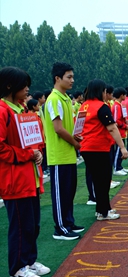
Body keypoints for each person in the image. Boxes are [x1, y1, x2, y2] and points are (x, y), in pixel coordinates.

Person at [1, 66, 50, 277]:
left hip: (30, 177)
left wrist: (36, 152)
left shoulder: (20, 109)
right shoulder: (3, 111)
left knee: (33, 224)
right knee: (20, 227)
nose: (28, 89)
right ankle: (17, 271)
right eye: (24, 84)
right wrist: (27, 154)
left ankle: (29, 261)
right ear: (10, 86)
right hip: (15, 179)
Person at [42, 62, 85, 240]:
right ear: (57, 78)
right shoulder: (54, 99)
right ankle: (60, 228)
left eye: (72, 77)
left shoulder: (66, 98)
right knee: (60, 194)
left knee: (69, 191)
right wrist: (75, 143)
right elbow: (58, 128)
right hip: (59, 155)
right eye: (69, 77)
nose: (72, 80)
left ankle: (68, 221)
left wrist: (76, 138)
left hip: (68, 154)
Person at [79, 79, 127, 221]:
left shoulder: (84, 106)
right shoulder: (102, 107)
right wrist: (122, 147)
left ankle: (102, 208)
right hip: (99, 147)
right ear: (101, 91)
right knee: (104, 180)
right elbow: (112, 127)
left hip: (86, 147)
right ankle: (104, 211)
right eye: (105, 91)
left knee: (97, 179)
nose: (106, 93)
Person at [111, 87, 128, 175]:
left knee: (120, 150)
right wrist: (125, 125)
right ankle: (116, 168)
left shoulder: (120, 105)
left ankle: (120, 166)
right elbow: (116, 121)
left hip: (122, 131)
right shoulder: (116, 106)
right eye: (124, 95)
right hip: (119, 132)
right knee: (118, 150)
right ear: (121, 95)